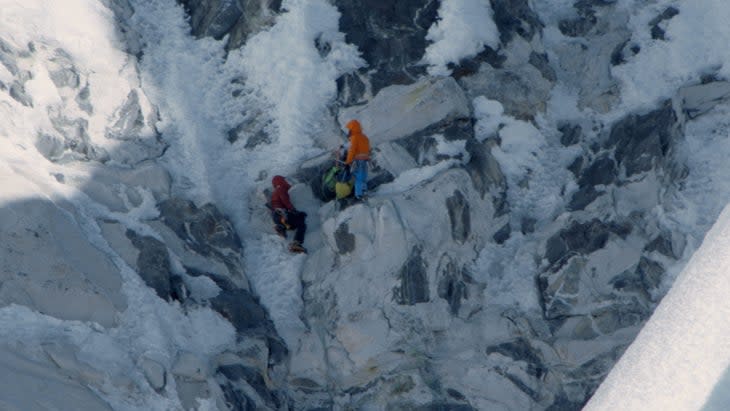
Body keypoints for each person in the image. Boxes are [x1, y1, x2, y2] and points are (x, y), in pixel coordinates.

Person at [270, 175, 307, 253]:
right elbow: (285, 200)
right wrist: (294, 210)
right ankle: (296, 243)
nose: (286, 181)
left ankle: (281, 228)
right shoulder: (280, 189)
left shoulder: (274, 193)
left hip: (276, 216)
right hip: (282, 213)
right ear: (280, 181)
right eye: (283, 180)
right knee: (301, 223)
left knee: (292, 226)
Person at [344, 119, 371, 200]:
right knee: (363, 177)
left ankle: (359, 195)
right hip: (365, 160)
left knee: (358, 178)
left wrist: (348, 162)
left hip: (358, 161)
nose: (348, 131)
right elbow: (368, 149)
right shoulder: (365, 137)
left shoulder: (355, 138)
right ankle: (364, 192)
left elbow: (352, 151)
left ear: (352, 129)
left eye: (350, 129)